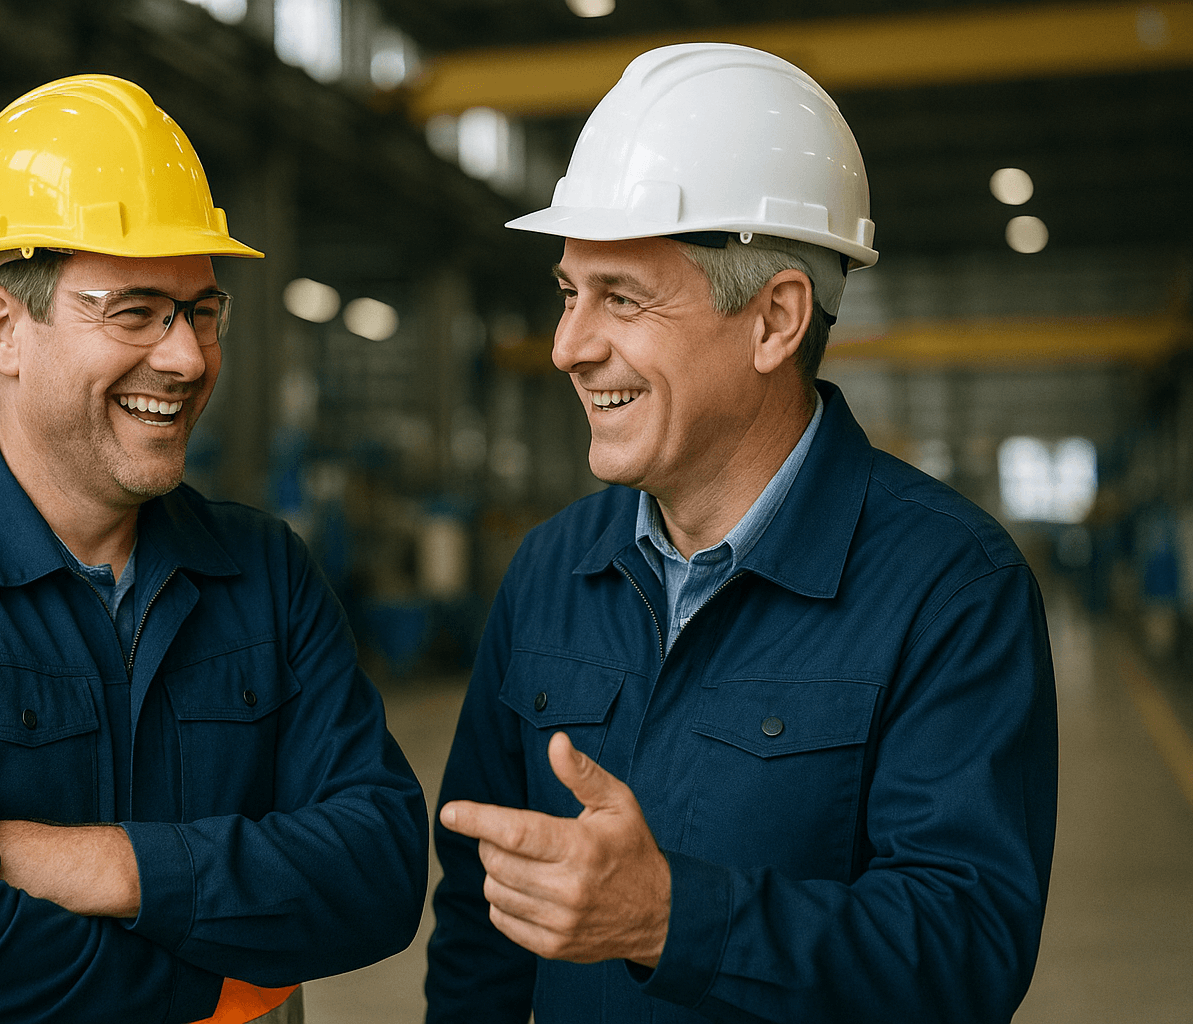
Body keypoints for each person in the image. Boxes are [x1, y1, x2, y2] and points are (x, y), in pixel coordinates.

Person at [424, 43, 1057, 1024]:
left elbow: (964, 951)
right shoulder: (553, 569)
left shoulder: (948, 587)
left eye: (621, 297)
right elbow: (479, 925)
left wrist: (672, 918)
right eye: (567, 291)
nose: (568, 347)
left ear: (775, 321)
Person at [0, 75, 428, 1024]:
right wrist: (212, 984)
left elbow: (379, 875)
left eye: (202, 311)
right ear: (3, 326)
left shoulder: (265, 573)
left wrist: (113, 867)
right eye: (133, 312)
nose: (186, 358)